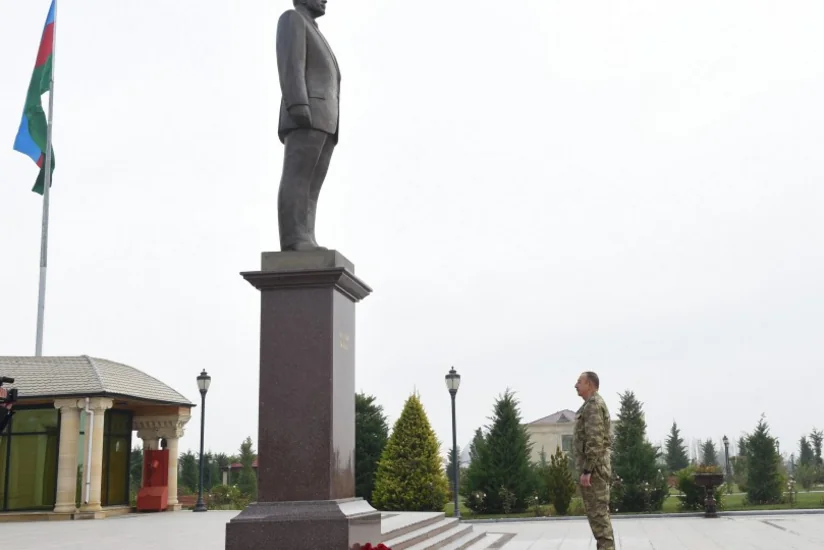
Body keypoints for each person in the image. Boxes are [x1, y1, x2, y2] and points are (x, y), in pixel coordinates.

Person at [275, 0, 340, 252]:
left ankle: (306, 236)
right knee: (298, 177)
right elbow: (291, 64)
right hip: (306, 111)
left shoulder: (314, 29)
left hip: (326, 118)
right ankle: (294, 239)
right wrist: (297, 103)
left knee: (312, 184)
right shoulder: (292, 19)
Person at [574, 371, 615, 550]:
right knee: (599, 517)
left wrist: (587, 471)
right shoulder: (591, 405)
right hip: (597, 468)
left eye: (579, 382)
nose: (576, 385)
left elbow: (595, 440)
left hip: (595, 471)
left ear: (589, 384)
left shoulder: (593, 406)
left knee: (599, 517)